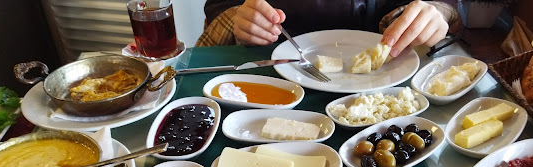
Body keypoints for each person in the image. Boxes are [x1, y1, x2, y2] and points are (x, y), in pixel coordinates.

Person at [196, 0, 458, 58]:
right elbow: (222, 6)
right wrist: (239, 19)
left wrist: (435, 12)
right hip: (268, 70)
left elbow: (446, 6)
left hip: (386, 78)